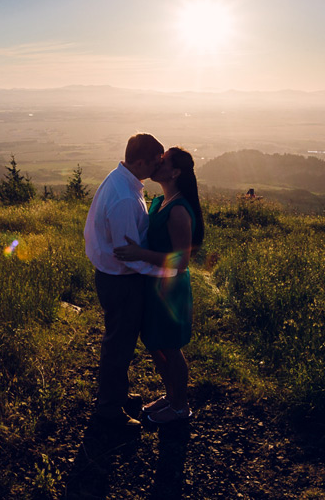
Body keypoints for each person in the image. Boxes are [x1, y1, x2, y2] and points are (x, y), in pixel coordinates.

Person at [114, 146, 205, 424]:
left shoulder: (178, 210)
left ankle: (180, 407)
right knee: (156, 345)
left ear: (175, 172)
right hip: (154, 285)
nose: (157, 163)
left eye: (163, 161)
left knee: (170, 348)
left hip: (170, 288)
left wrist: (139, 255)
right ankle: (171, 397)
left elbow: (180, 261)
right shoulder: (160, 201)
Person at [83, 132, 165, 431]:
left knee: (120, 341)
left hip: (113, 276)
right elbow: (127, 255)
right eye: (155, 162)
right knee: (118, 345)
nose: (158, 167)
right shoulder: (124, 199)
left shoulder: (121, 180)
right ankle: (109, 410)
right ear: (140, 161)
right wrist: (166, 271)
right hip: (121, 281)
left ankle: (116, 395)